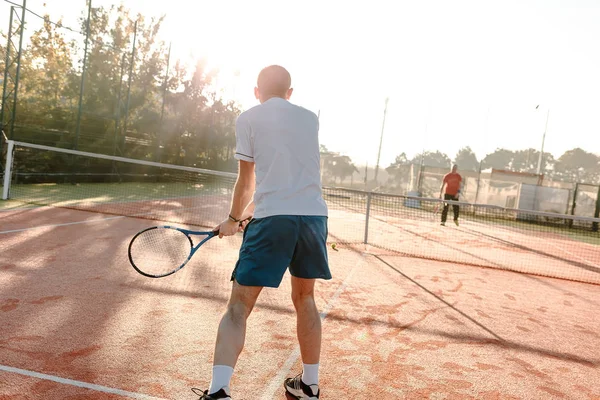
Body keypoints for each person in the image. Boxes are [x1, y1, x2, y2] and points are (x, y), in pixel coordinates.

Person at [191, 65, 330, 400]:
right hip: (313, 217)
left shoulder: (248, 118)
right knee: (305, 298)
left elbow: (247, 180)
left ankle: (219, 391)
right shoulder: (310, 118)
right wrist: (247, 215)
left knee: (238, 306)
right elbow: (286, 180)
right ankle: (309, 385)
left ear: (257, 91)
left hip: (273, 220)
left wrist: (232, 218)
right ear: (290, 92)